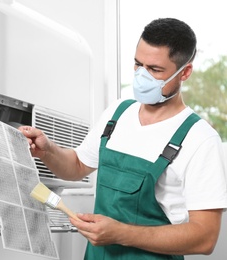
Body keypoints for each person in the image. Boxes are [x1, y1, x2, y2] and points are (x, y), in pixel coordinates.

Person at [19, 18, 227, 259]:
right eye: (138, 65)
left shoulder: (200, 139)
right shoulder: (118, 114)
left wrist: (120, 234)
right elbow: (76, 166)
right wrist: (47, 151)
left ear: (185, 72)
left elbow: (205, 237)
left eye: (155, 70)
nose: (142, 76)